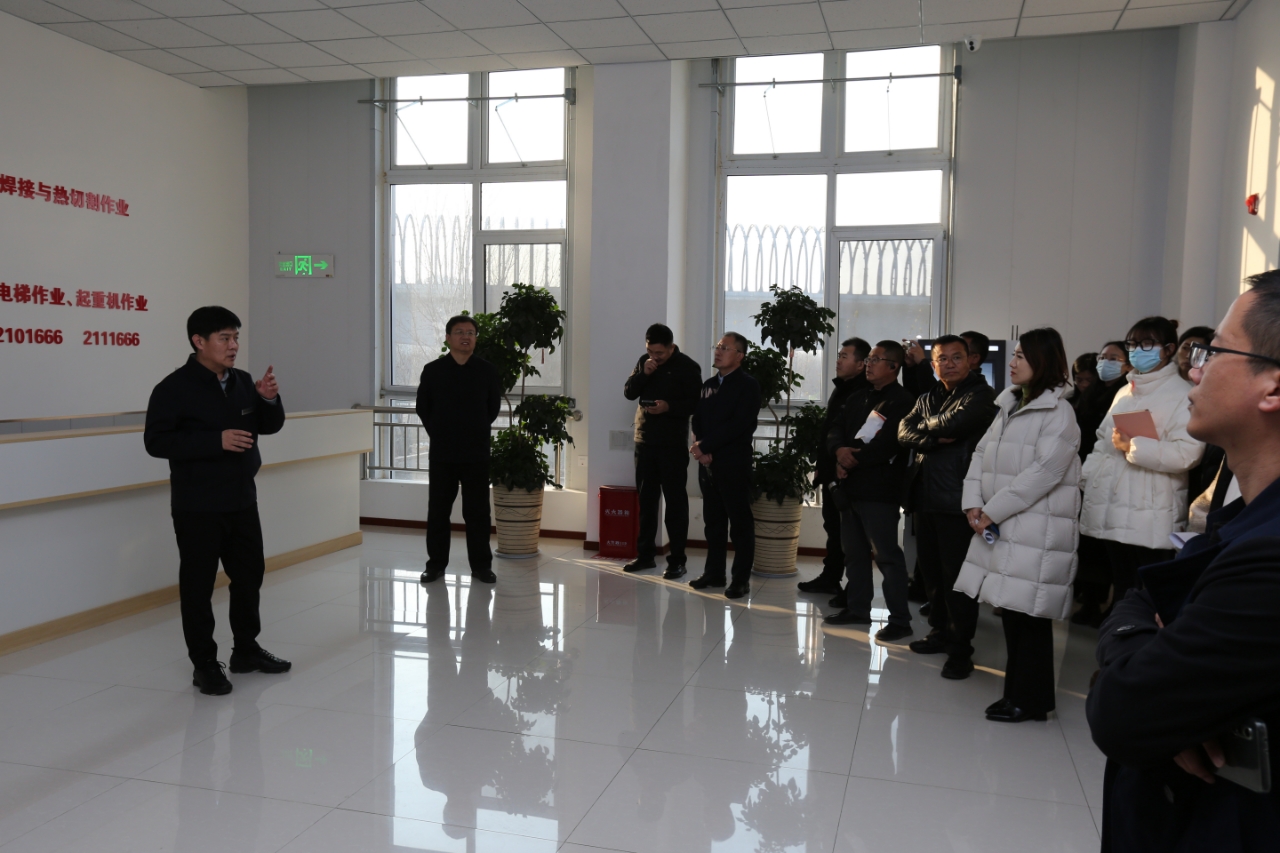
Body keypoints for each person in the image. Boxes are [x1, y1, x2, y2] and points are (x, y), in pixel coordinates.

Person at [1087, 271, 1280, 851]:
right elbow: (1142, 600)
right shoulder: (1243, 517)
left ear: (1272, 387)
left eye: (1213, 352)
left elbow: (1123, 712)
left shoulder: (1269, 558)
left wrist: (1148, 683)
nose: (1195, 369)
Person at [143, 306, 291, 696]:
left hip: (241, 499)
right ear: (199, 341)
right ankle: (205, 664)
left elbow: (269, 426)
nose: (233, 346)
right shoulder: (173, 388)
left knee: (249, 577)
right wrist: (215, 440)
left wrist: (268, 400)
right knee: (198, 586)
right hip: (198, 504)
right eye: (224, 338)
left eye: (236, 337)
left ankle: (246, 650)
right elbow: (156, 442)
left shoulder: (242, 381)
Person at [955, 328, 1081, 722]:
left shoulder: (1059, 412)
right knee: (1012, 611)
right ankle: (1019, 695)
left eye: (1021, 357)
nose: (1012, 363)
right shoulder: (1010, 403)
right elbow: (981, 454)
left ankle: (1030, 700)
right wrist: (973, 502)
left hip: (1036, 529)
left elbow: (1044, 474)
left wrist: (991, 510)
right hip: (1007, 523)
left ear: (1042, 361)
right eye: (1014, 355)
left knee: (1030, 615)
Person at [1080, 317, 1204, 607]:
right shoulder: (1125, 391)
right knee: (1122, 584)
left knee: (1146, 594)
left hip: (1150, 510)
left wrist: (1134, 446)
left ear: (1168, 349)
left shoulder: (1182, 393)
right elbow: (1102, 441)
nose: (1137, 350)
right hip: (1112, 503)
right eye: (1132, 344)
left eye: (1146, 344)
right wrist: (1088, 478)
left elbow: (1188, 453)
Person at [898, 335, 999, 679]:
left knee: (958, 579)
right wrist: (932, 436)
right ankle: (940, 632)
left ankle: (960, 650)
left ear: (971, 360)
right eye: (943, 358)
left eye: (957, 357)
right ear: (933, 364)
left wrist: (924, 428)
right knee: (932, 576)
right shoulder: (927, 396)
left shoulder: (981, 395)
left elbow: (956, 424)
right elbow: (902, 431)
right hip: (925, 496)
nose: (950, 364)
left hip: (958, 499)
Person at [822, 341, 916, 643]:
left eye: (876, 360)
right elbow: (835, 428)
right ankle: (858, 609)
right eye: (869, 360)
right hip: (850, 486)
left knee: (887, 557)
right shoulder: (858, 396)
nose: (869, 364)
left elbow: (889, 443)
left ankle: (899, 620)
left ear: (894, 366)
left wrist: (851, 460)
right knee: (854, 554)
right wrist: (839, 452)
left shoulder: (902, 401)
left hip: (879, 490)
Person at [416, 315, 503, 586]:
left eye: (470, 332)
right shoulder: (433, 370)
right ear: (448, 338)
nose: (466, 336)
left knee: (477, 513)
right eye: (459, 332)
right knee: (438, 511)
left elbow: (492, 408)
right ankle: (435, 566)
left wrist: (474, 430)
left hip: (476, 453)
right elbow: (423, 407)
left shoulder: (487, 371)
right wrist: (440, 433)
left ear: (476, 338)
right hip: (443, 453)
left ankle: (481, 567)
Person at [622, 323, 704, 579]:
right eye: (650, 351)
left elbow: (696, 404)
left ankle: (677, 560)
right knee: (646, 502)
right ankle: (645, 555)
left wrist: (669, 407)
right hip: (644, 441)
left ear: (671, 347)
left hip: (672, 444)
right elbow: (629, 392)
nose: (654, 357)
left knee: (675, 503)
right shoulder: (644, 362)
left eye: (659, 353)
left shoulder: (688, 367)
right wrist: (643, 374)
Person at [690, 332, 761, 600]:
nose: (718, 351)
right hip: (707, 464)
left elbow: (739, 425)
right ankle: (714, 573)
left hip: (733, 463)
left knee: (740, 524)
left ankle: (740, 580)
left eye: (725, 348)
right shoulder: (708, 385)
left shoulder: (748, 385)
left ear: (739, 356)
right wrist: (700, 447)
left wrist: (705, 446)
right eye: (718, 346)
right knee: (713, 522)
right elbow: (697, 419)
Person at [798, 337, 871, 596]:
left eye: (844, 356)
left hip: (850, 471)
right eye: (839, 355)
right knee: (833, 527)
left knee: (851, 534)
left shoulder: (864, 393)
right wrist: (822, 465)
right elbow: (829, 430)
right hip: (831, 469)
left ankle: (854, 589)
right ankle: (831, 577)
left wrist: (841, 463)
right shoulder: (842, 388)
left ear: (861, 364)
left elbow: (857, 436)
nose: (838, 361)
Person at [1071, 342, 1132, 627]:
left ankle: (1110, 605)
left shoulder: (1127, 393)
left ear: (1127, 364)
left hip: (1113, 476)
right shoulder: (1091, 393)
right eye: (1102, 357)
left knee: (1108, 551)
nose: (1105, 362)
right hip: (1086, 472)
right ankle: (1090, 601)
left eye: (1113, 358)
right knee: (1088, 544)